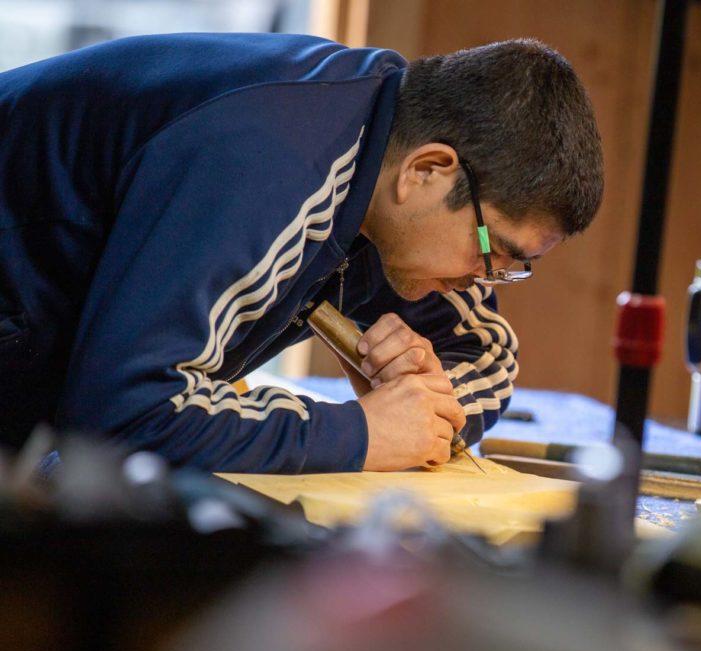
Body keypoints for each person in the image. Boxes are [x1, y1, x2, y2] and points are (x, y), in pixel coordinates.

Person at [0, 33, 604, 472]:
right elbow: (122, 411)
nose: (484, 278)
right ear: (427, 170)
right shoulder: (273, 163)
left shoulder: (389, 170)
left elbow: (486, 353)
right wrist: (359, 433)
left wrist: (426, 400)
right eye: (491, 251)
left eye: (512, 268)